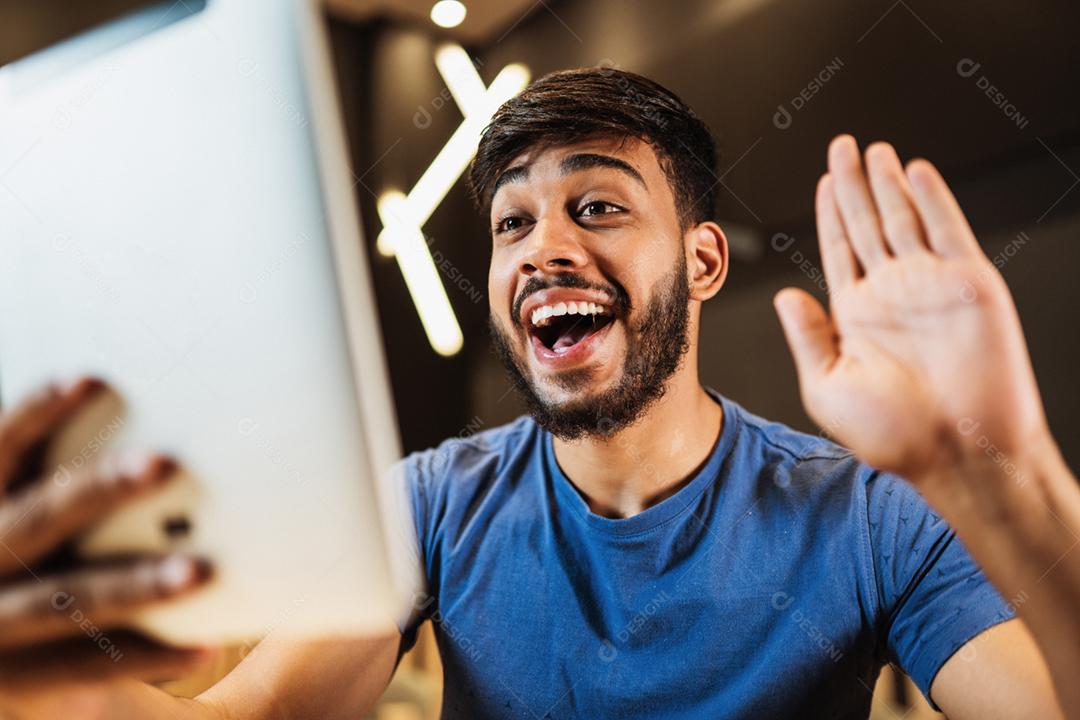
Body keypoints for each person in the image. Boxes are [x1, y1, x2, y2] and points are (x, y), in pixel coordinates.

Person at [1, 68, 1077, 720]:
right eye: (514, 223)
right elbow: (265, 710)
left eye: (600, 207)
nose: (541, 249)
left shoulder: (870, 512)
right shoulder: (428, 502)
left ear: (703, 264)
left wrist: (1000, 471)